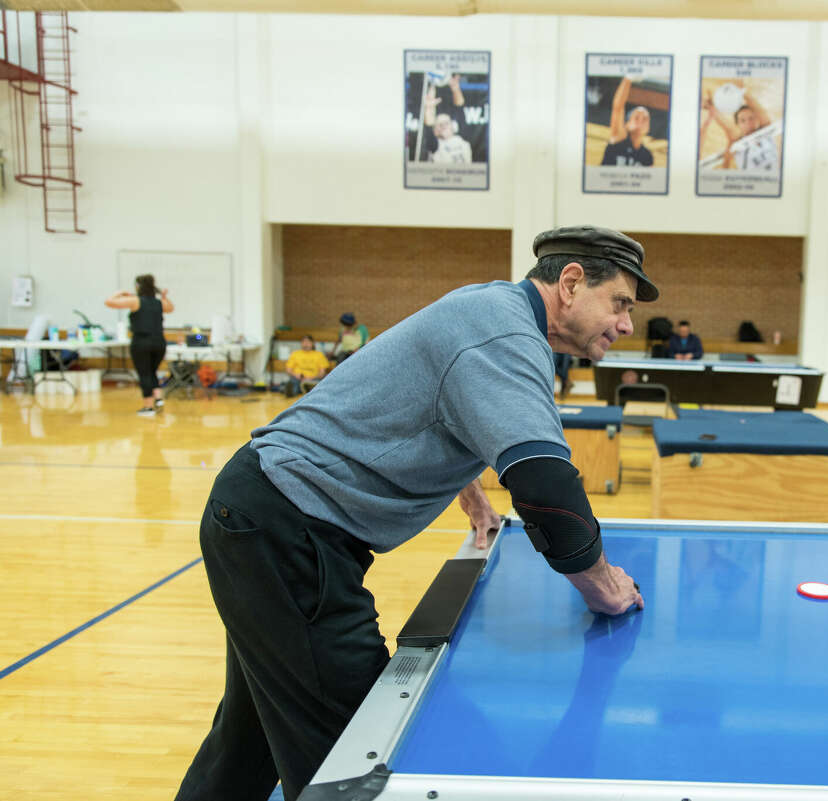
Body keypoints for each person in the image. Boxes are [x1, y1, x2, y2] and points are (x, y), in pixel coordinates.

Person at [173, 225, 656, 801]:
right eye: (620, 303)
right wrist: (602, 585)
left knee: (248, 737)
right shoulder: (505, 335)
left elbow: (437, 401)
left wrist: (470, 489)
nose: (626, 324)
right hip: (288, 529)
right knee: (356, 757)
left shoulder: (489, 306)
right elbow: (546, 488)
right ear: (572, 282)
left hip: (262, 512)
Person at [104, 274, 174, 417]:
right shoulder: (158, 302)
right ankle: (158, 399)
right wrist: (164, 297)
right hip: (159, 342)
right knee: (152, 371)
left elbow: (109, 302)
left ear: (138, 287)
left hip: (142, 342)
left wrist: (120, 293)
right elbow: (170, 308)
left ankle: (148, 407)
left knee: (144, 373)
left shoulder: (135, 301)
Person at [701, 86, 779, 171]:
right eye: (743, 121)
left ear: (757, 119)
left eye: (751, 118)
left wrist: (741, 90)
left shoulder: (766, 131)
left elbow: (759, 110)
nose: (748, 123)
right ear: (738, 125)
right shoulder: (736, 141)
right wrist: (710, 106)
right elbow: (729, 127)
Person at [600, 75, 653, 167]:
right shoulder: (619, 139)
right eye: (636, 117)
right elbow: (618, 108)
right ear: (627, 124)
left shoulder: (647, 157)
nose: (640, 121)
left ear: (648, 128)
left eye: (644, 119)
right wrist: (628, 78)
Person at [421, 75, 472, 164]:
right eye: (439, 125)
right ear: (435, 131)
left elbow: (460, 109)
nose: (443, 126)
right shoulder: (435, 145)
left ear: (453, 127)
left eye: (446, 123)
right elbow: (429, 126)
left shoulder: (462, 138)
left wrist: (455, 89)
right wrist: (428, 107)